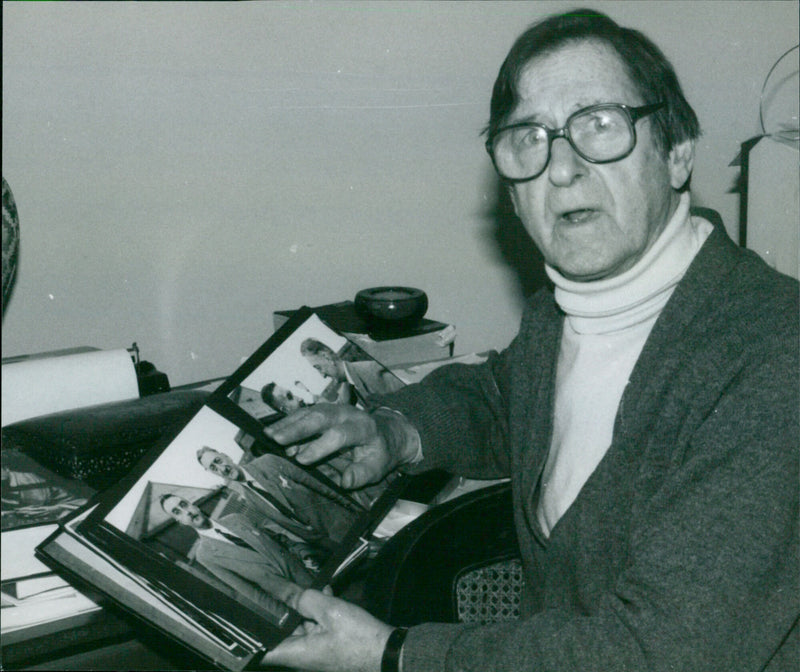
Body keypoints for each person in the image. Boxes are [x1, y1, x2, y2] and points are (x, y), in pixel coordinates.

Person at [261, 9, 799, 672]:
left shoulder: (774, 356)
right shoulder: (560, 314)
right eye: (528, 139)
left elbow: (661, 652)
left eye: (599, 125)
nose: (561, 169)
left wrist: (391, 653)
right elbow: (505, 396)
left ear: (678, 151)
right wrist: (395, 434)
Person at [159, 493, 311, 626]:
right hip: (295, 599)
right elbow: (249, 591)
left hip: (309, 575)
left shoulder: (236, 518)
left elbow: (279, 539)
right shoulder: (205, 555)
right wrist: (289, 618)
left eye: (184, 505)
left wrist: (304, 553)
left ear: (194, 504)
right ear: (180, 521)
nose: (187, 512)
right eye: (178, 512)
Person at [196, 446, 365, 548]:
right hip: (331, 545)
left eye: (218, 460)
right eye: (213, 468)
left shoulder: (268, 462)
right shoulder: (248, 500)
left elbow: (319, 485)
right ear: (213, 474)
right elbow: (290, 527)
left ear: (226, 456)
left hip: (349, 522)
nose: (222, 468)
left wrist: (358, 510)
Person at [300, 338, 405, 406]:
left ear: (327, 358)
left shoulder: (372, 371)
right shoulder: (347, 382)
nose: (322, 375)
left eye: (318, 368)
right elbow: (342, 404)